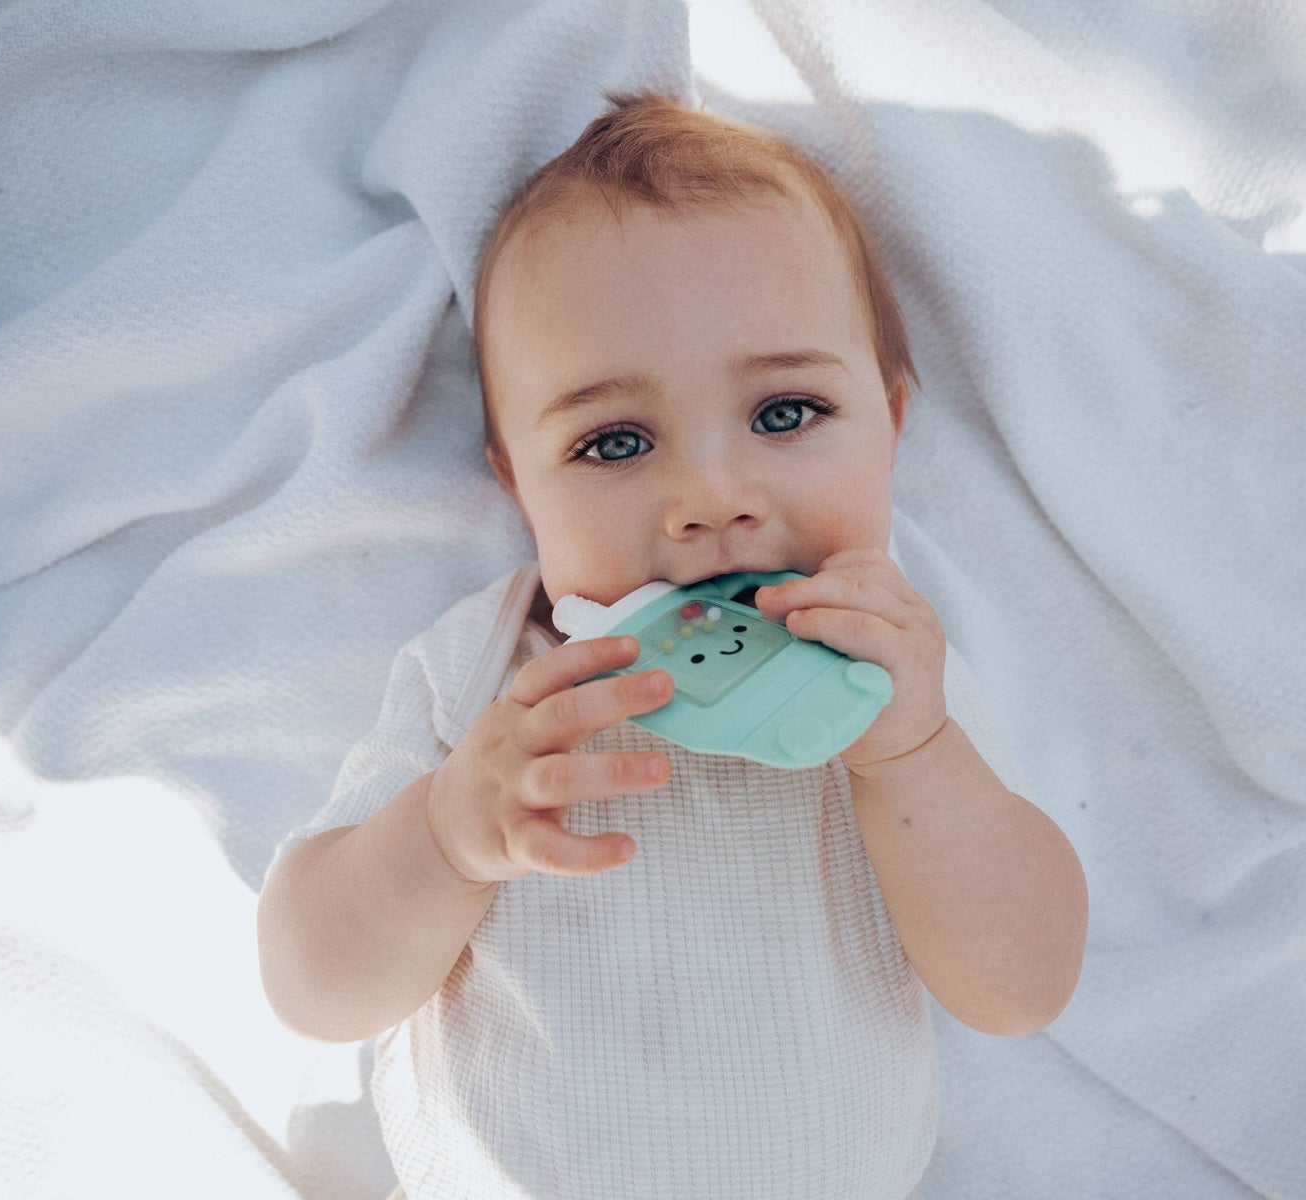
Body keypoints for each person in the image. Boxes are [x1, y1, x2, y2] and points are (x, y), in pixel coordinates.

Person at [256, 88, 1088, 1200]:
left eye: (785, 413)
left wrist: (914, 754)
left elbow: (1023, 990)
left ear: (890, 425)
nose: (711, 500)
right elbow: (312, 988)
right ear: (518, 485)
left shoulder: (893, 687)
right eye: (615, 442)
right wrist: (447, 835)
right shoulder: (489, 679)